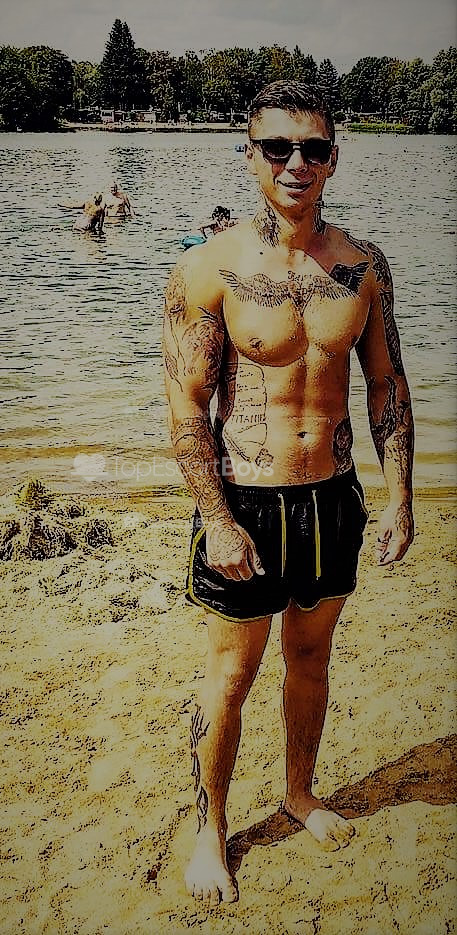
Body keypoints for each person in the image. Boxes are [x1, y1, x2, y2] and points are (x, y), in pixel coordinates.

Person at [162, 80, 414, 906]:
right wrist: (215, 518)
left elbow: (385, 385)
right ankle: (210, 829)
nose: (295, 162)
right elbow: (185, 407)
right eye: (277, 147)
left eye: (312, 148)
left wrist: (400, 496)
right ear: (250, 157)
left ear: (333, 158)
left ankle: (298, 792)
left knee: (309, 659)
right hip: (245, 501)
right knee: (230, 674)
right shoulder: (208, 268)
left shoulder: (362, 264)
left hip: (330, 499)